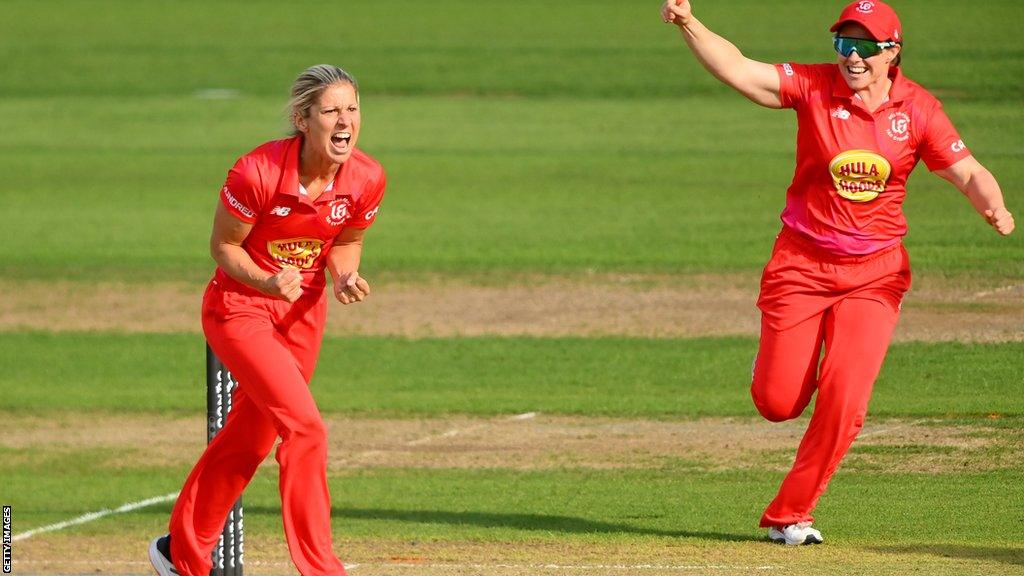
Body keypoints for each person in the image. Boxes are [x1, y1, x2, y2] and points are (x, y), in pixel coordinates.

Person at [660, 0, 1014, 545]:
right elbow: (740, 69)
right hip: (800, 265)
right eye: (844, 44)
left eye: (867, 46)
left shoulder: (917, 109)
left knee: (846, 395)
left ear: (892, 52)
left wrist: (992, 204)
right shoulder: (814, 86)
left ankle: (791, 514)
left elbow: (966, 170)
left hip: (876, 274)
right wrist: (689, 22)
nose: (853, 56)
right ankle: (777, 363)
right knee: (777, 403)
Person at [149, 64, 386, 576]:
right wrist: (265, 281)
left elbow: (347, 242)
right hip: (240, 308)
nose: (345, 121)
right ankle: (322, 569)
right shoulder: (254, 172)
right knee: (306, 430)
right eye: (332, 111)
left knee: (251, 439)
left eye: (353, 108)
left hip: (302, 313)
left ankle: (180, 553)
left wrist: (345, 276)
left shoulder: (367, 177)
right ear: (304, 119)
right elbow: (223, 247)